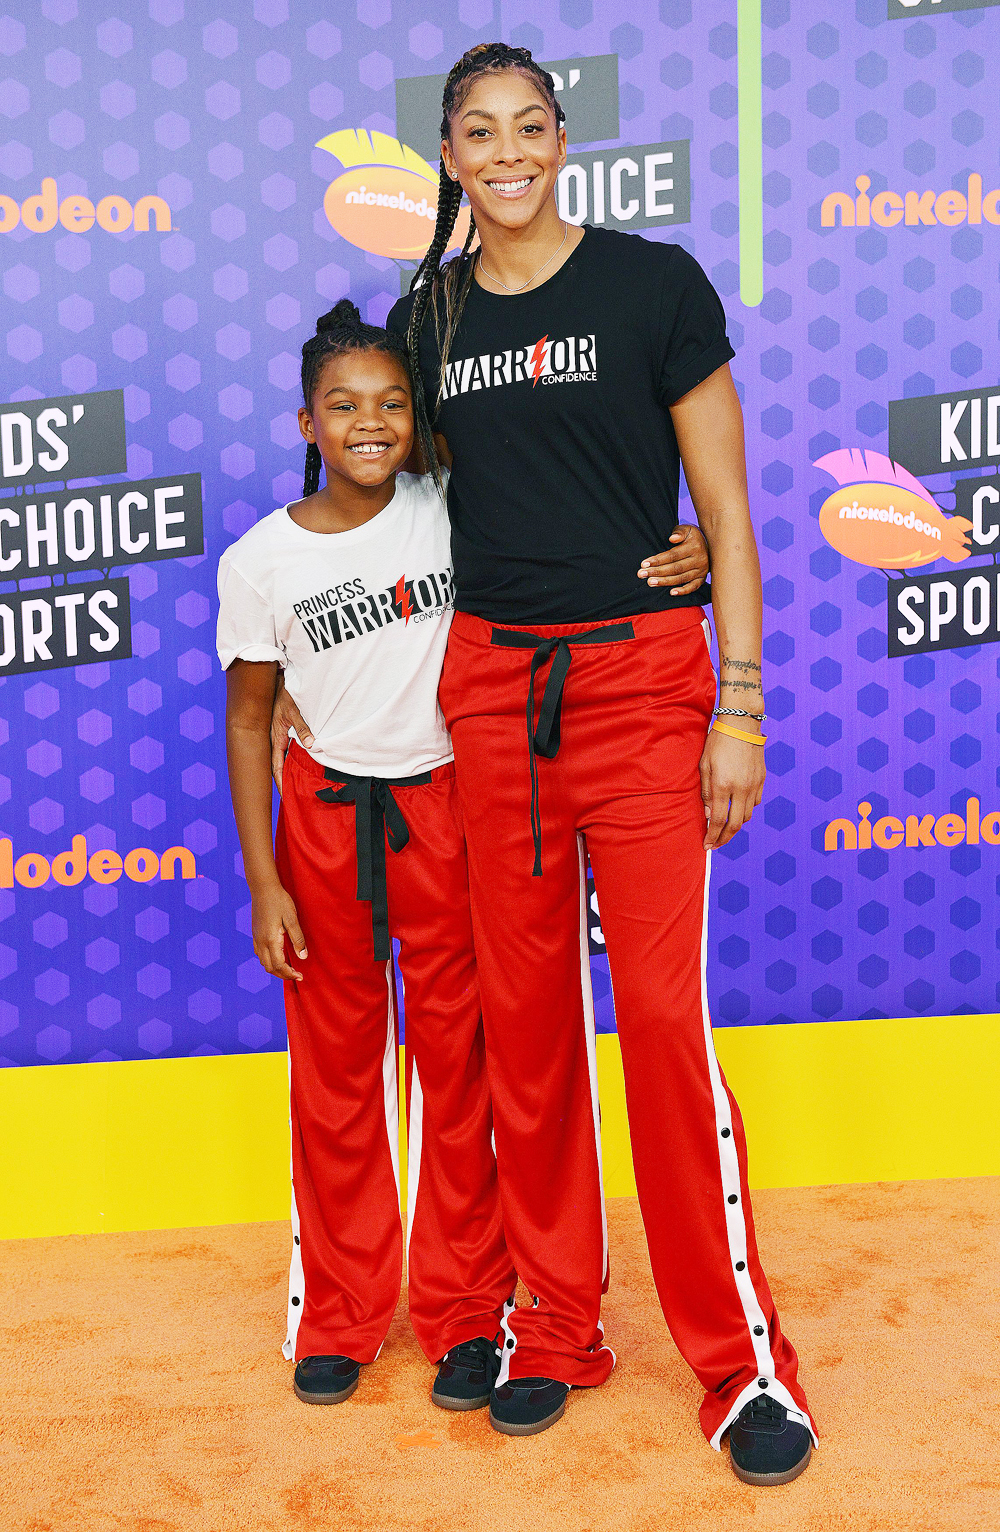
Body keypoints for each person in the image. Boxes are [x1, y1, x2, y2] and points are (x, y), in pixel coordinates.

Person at [276, 42, 813, 1485]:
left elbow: (729, 510)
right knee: (523, 1040)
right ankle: (556, 1323)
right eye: (477, 132)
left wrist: (739, 698)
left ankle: (737, 1363)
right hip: (490, 700)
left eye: (529, 125)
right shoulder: (428, 312)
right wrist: (302, 649)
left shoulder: (653, 286)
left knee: (658, 1031)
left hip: (642, 689)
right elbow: (394, 502)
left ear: (561, 140)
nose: (506, 151)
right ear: (451, 157)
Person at [217, 300, 516, 1414]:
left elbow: (559, 520)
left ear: (419, 420)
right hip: (327, 824)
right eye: (344, 405)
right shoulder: (261, 559)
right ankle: (341, 1309)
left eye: (393, 403)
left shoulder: (446, 508)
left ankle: (463, 1312)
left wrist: (683, 543)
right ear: (307, 420)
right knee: (336, 1077)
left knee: (458, 1069)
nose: (370, 422)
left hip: (446, 810)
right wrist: (265, 879)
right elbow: (252, 719)